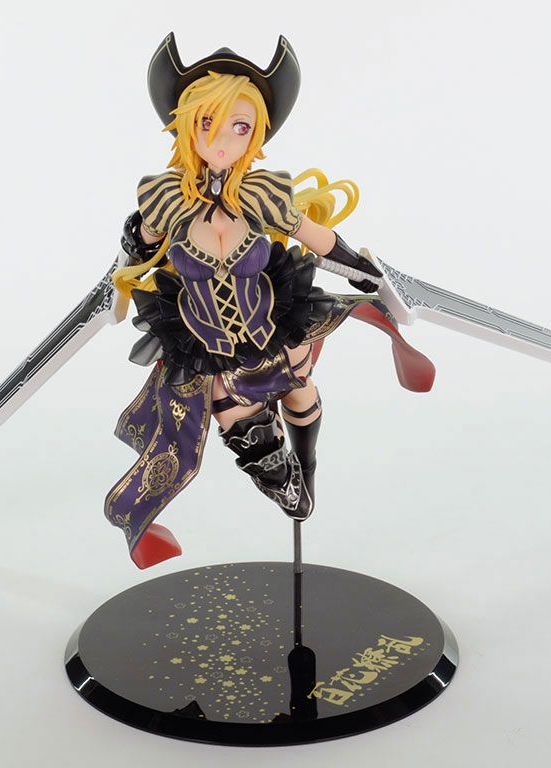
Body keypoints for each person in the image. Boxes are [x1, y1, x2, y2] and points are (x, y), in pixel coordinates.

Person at [104, 34, 436, 569]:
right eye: (207, 123)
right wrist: (119, 280)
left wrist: (374, 278)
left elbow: (318, 240)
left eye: (240, 127)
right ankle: (295, 484)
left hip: (274, 327)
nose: (223, 140)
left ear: (256, 132)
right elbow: (135, 249)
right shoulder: (166, 199)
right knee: (274, 472)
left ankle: (309, 464)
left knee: (302, 394)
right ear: (186, 125)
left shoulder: (261, 195)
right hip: (211, 350)